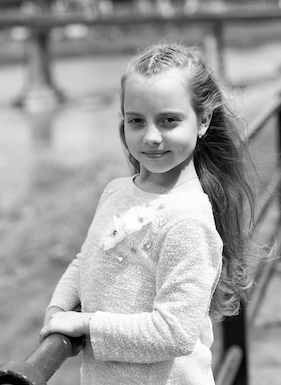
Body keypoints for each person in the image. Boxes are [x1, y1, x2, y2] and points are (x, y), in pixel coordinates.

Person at [39, 43, 260, 385]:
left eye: (169, 120)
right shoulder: (117, 191)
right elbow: (86, 260)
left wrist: (85, 324)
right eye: (137, 121)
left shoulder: (188, 219)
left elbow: (174, 332)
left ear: (203, 121)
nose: (152, 137)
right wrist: (57, 309)